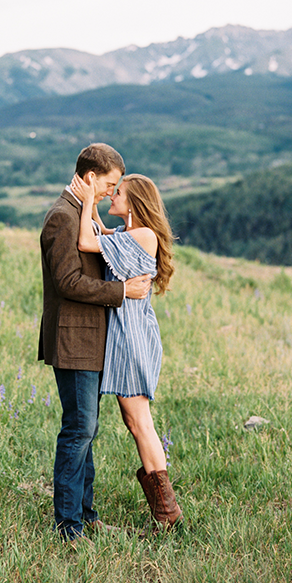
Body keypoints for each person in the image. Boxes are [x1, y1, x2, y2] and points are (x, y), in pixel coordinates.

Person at [39, 143, 152, 542]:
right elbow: (68, 283)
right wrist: (121, 292)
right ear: (90, 178)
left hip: (91, 339)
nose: (110, 191)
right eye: (109, 184)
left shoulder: (78, 214)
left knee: (88, 429)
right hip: (73, 340)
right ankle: (68, 525)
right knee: (78, 429)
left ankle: (86, 516)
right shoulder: (61, 218)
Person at [69, 170, 182, 528]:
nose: (112, 195)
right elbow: (101, 235)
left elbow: (87, 242)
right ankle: (166, 514)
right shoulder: (128, 233)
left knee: (140, 423)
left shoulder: (144, 235)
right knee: (135, 422)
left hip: (132, 338)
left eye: (119, 192)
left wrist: (88, 200)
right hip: (125, 335)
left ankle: (168, 516)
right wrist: (95, 209)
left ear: (135, 201)